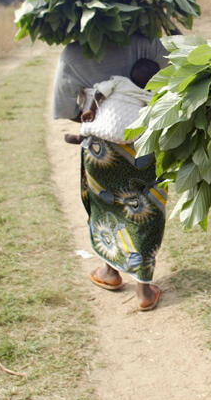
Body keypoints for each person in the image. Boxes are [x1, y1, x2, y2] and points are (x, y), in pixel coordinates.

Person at [53, 36, 168, 311]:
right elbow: (172, 82)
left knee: (105, 204)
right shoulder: (146, 41)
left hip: (100, 147)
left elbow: (67, 108)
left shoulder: (73, 52)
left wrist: (99, 117)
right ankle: (144, 289)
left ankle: (110, 272)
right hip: (144, 137)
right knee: (145, 207)